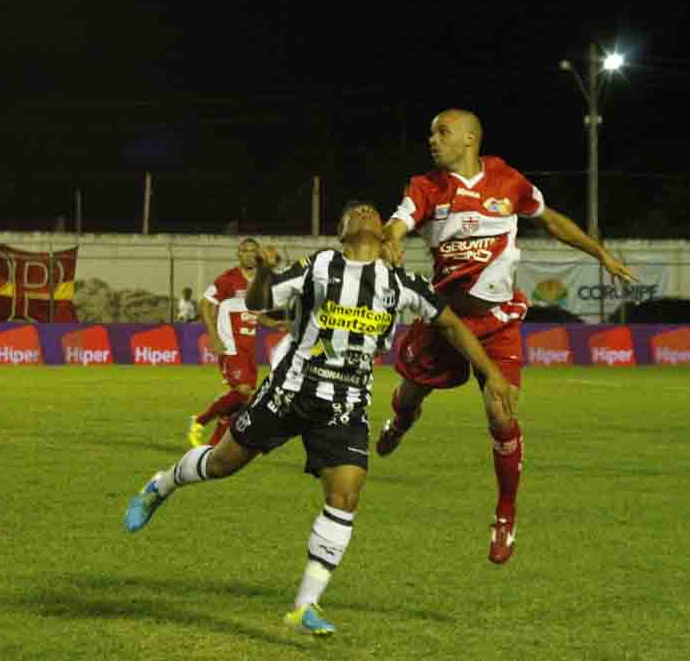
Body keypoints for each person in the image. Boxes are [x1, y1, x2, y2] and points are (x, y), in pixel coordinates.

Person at [124, 201, 518, 635]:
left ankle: (306, 605)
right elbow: (260, 303)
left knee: (346, 496)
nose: (367, 212)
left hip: (344, 406)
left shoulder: (404, 283)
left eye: (372, 211)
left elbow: (452, 326)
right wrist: (267, 275)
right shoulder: (318, 267)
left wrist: (491, 372)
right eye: (357, 212)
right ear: (341, 231)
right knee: (220, 464)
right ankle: (160, 485)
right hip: (289, 391)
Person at [377, 108, 638, 565]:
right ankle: (401, 420)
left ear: (470, 138)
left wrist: (601, 253)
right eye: (431, 133)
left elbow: (552, 220)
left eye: (442, 132)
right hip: (447, 323)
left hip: (498, 322)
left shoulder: (507, 180)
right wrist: (391, 237)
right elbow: (398, 220)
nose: (433, 140)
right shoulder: (426, 187)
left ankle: (505, 514)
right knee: (410, 392)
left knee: (501, 413)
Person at [188, 238, 287, 447]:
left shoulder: (262, 281)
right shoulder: (228, 279)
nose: (249, 254)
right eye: (245, 251)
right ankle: (200, 420)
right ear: (238, 255)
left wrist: (278, 324)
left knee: (240, 402)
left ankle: (213, 446)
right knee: (244, 392)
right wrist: (214, 337)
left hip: (248, 347)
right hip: (230, 344)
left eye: (253, 251)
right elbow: (205, 304)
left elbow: (256, 315)